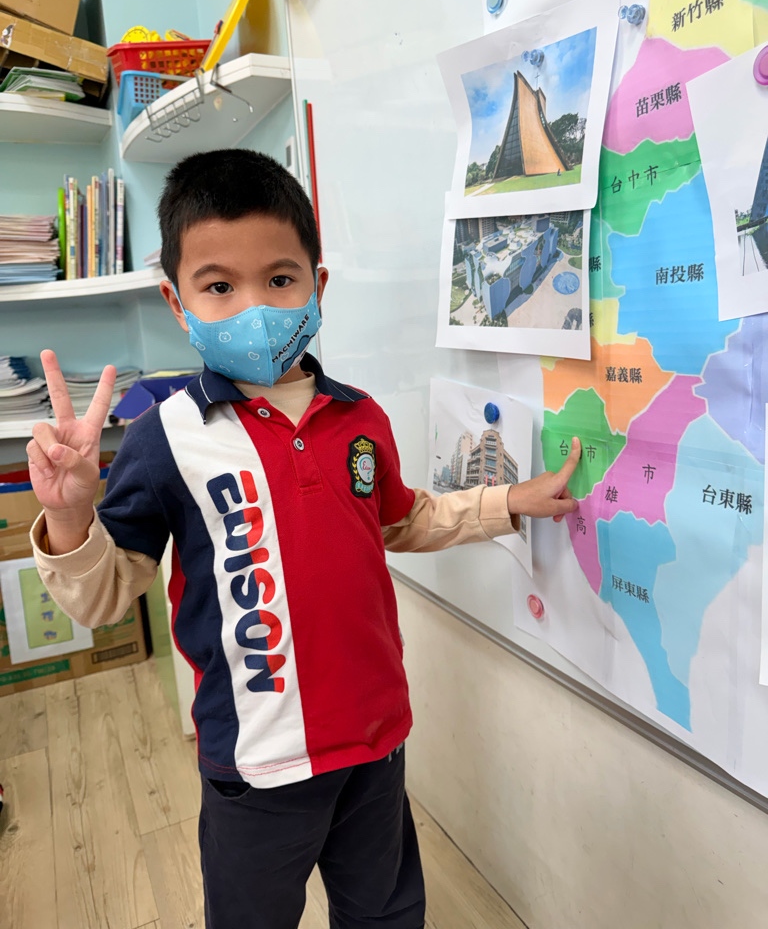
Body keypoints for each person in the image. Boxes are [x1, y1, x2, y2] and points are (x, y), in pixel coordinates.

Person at [27, 149, 581, 929]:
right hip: (255, 769)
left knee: (386, 913)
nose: (254, 305)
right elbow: (103, 597)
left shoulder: (361, 417)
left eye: (280, 279)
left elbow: (402, 520)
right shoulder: (163, 438)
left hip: (375, 744)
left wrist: (508, 501)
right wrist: (70, 518)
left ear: (318, 286)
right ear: (176, 301)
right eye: (219, 286)